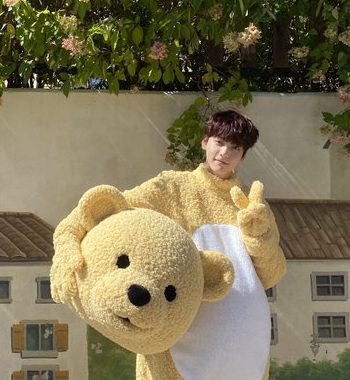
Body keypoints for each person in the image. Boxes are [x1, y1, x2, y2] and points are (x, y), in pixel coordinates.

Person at [122, 109, 287, 380]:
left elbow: (271, 273)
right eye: (219, 142)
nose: (224, 153)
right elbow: (121, 210)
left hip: (244, 341)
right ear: (205, 142)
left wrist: (258, 237)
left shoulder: (252, 203)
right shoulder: (171, 187)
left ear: (243, 156)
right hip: (183, 327)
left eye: (235, 148)